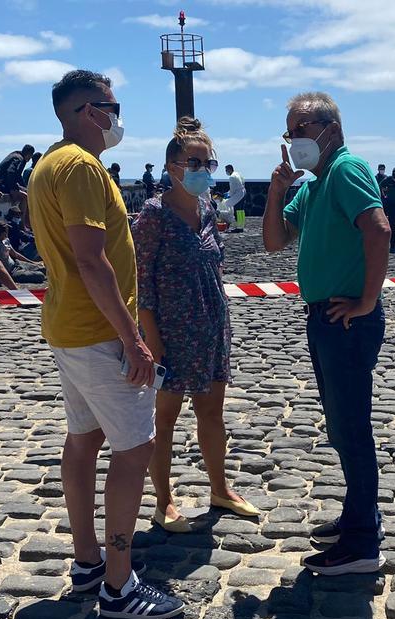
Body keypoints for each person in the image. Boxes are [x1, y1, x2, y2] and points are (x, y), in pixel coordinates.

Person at [27, 69, 183, 619]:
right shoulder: (82, 168)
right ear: (88, 110)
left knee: (83, 438)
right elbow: (92, 260)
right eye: (112, 106)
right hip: (97, 333)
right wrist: (133, 340)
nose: (118, 116)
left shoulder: (47, 165)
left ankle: (89, 560)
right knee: (134, 448)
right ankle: (119, 586)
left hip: (68, 328)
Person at [263, 91, 391, 576]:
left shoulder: (345, 168)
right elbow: (274, 242)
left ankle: (361, 545)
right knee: (341, 427)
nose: (293, 140)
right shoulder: (312, 183)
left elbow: (376, 230)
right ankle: (361, 517)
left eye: (299, 130)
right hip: (322, 318)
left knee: (352, 428)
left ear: (329, 130)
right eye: (289, 132)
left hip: (346, 320)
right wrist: (277, 192)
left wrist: (367, 299)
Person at [132, 117, 258, 535]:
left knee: (211, 412)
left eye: (208, 162)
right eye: (194, 162)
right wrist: (151, 337)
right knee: (164, 418)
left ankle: (220, 489)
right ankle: (163, 501)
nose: (203, 169)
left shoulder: (206, 208)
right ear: (172, 167)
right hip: (170, 331)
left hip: (211, 326)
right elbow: (139, 277)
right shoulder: (153, 214)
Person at [0, 144, 34, 219]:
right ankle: (21, 223)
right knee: (25, 197)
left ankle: (17, 217)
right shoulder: (19, 159)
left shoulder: (16, 155)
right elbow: (10, 172)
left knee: (27, 191)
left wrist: (24, 187)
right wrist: (13, 189)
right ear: (29, 155)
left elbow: (18, 176)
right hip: (0, 184)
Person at [224, 164, 247, 230]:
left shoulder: (232, 177)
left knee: (237, 211)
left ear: (229, 169)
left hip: (238, 194)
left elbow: (232, 189)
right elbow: (243, 182)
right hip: (243, 192)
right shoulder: (238, 173)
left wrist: (228, 195)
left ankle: (239, 227)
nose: (226, 172)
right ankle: (241, 226)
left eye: (226, 170)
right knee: (241, 211)